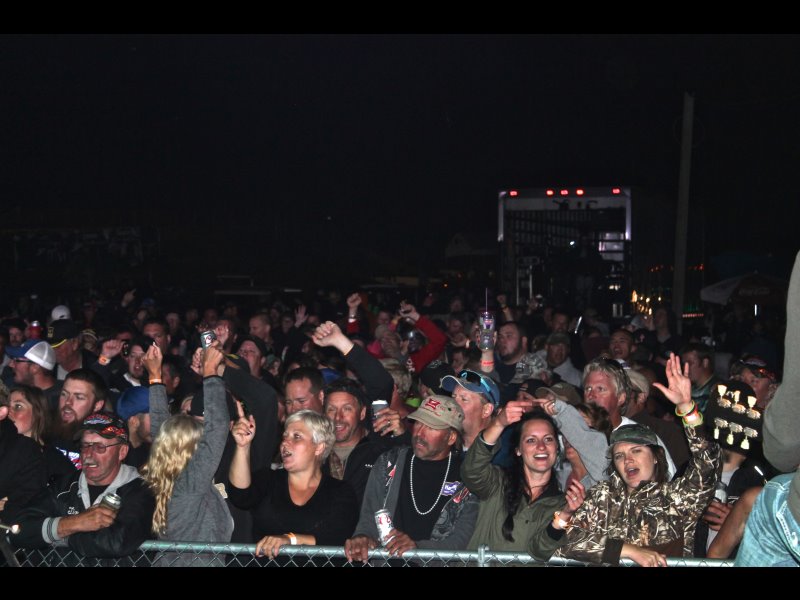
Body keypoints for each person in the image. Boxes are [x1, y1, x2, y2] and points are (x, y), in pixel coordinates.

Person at [556, 354, 720, 566]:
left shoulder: (678, 498)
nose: (628, 460)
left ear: (656, 457)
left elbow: (707, 462)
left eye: (636, 451)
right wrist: (628, 551)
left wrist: (688, 409)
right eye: (619, 455)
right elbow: (565, 542)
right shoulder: (603, 498)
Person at [344, 395, 479, 563]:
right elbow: (368, 519)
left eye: (431, 427)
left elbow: (459, 542)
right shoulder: (389, 462)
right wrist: (363, 538)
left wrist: (417, 549)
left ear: (451, 437)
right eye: (418, 423)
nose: (420, 433)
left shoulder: (466, 479)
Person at [13, 412, 155, 565]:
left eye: (100, 447)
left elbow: (116, 542)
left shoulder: (142, 491)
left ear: (122, 452)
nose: (89, 454)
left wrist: (59, 534)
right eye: (85, 445)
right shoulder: (63, 486)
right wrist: (75, 523)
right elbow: (18, 530)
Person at [140, 343, 233, 566]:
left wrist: (155, 376)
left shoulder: (165, 474)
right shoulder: (190, 482)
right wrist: (210, 372)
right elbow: (218, 428)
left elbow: (160, 429)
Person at [736, 249, 800, 566]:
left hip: (774, 488)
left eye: (756, 378)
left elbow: (783, 446)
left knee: (765, 498)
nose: (747, 384)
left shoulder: (778, 421)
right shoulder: (730, 416)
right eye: (742, 377)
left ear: (773, 385)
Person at [228, 409, 358, 562]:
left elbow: (337, 537)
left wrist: (290, 539)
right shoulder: (268, 479)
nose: (284, 442)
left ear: (319, 447)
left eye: (296, 437)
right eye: (285, 436)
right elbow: (240, 496)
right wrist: (242, 446)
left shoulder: (339, 491)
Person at [462, 406, 585, 557]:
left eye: (548, 439)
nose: (541, 447)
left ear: (557, 449)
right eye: (531, 440)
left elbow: (539, 552)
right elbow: (471, 470)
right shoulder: (497, 482)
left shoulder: (561, 503)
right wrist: (498, 424)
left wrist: (565, 515)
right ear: (518, 450)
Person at [5, 385, 75, 483]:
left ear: (37, 413)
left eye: (18, 406)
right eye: (6, 406)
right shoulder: (4, 451)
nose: (8, 412)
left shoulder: (55, 463)